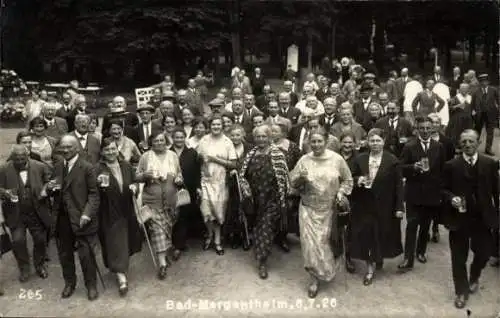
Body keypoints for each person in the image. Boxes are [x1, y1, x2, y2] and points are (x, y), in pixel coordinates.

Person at [290, 128, 352, 298]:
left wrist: (341, 193)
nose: (316, 145)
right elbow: (292, 183)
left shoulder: (337, 159)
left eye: (319, 141)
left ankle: (326, 270)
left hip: (329, 210)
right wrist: (300, 178)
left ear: (326, 142)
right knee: (310, 246)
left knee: (325, 244)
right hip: (308, 208)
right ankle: (314, 280)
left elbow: (348, 180)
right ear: (309, 142)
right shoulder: (304, 159)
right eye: (313, 141)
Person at [441, 129, 499, 309]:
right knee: (458, 257)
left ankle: (474, 275)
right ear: (460, 143)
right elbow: (442, 189)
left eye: (471, 141)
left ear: (478, 142)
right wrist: (451, 198)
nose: (467, 144)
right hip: (459, 217)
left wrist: (497, 214)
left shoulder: (489, 163)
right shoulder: (451, 165)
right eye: (464, 141)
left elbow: (497, 191)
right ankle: (461, 291)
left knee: (484, 253)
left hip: (482, 218)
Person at [46, 135, 100, 301]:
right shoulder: (57, 166)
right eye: (63, 147)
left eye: (69, 147)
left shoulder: (87, 168)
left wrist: (86, 213)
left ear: (77, 148)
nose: (66, 150)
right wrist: (50, 188)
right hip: (62, 218)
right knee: (64, 254)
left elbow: (94, 195)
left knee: (86, 254)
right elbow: (54, 188)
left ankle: (91, 286)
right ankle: (69, 283)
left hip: (81, 217)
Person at [349, 128, 404, 285]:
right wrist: (358, 180)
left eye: (378, 140)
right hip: (364, 205)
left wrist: (399, 207)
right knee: (367, 236)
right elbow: (349, 178)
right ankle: (370, 269)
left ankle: (378, 257)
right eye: (372, 140)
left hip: (385, 205)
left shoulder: (392, 160)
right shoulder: (360, 159)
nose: (375, 144)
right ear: (367, 142)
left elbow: (399, 186)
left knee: (382, 234)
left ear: (383, 142)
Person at [239, 125, 290, 279]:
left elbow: (284, 176)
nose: (261, 139)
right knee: (257, 226)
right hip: (254, 199)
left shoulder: (277, 154)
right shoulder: (250, 154)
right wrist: (245, 186)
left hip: (271, 199)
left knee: (265, 227)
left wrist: (283, 196)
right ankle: (260, 252)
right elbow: (242, 175)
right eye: (258, 137)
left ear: (269, 138)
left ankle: (262, 262)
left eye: (264, 137)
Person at [398, 116, 446, 272]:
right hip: (414, 193)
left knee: (425, 226)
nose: (425, 131)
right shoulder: (409, 146)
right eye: (422, 128)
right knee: (412, 225)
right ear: (417, 129)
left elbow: (442, 170)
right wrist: (413, 167)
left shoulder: (439, 147)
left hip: (432, 194)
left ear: (432, 129)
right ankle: (408, 258)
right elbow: (401, 167)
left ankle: (421, 251)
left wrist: (441, 192)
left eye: (428, 128)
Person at [96, 138, 143, 297]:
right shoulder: (98, 169)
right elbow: (93, 191)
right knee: (115, 241)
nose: (110, 152)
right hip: (108, 211)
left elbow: (136, 182)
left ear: (118, 150)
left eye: (113, 149)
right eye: (107, 150)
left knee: (125, 241)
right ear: (102, 152)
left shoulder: (126, 166)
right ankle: (121, 278)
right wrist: (99, 188)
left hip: (127, 209)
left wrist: (134, 187)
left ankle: (117, 265)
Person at [0, 145, 52, 282]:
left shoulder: (40, 166)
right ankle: (24, 267)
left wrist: (46, 189)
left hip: (36, 212)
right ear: (12, 157)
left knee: (41, 240)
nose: (19, 160)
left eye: (22, 157)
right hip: (15, 212)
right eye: (16, 158)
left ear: (27, 155)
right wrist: (4, 193)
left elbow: (49, 181)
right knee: (18, 241)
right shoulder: (3, 169)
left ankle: (40, 265)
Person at [136, 132, 183, 279]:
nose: (159, 143)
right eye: (156, 141)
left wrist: (179, 179)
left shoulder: (173, 155)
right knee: (157, 230)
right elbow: (137, 175)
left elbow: (179, 173)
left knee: (168, 227)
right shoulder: (145, 157)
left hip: (171, 200)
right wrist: (145, 176)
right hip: (152, 200)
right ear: (151, 143)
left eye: (162, 140)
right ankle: (162, 263)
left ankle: (168, 250)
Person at [197, 116, 237, 255]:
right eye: (213, 124)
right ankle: (209, 235)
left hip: (220, 182)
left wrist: (215, 159)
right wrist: (201, 159)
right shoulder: (204, 140)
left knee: (219, 213)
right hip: (205, 181)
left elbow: (233, 164)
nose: (216, 127)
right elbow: (198, 159)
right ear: (210, 126)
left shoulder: (227, 142)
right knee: (206, 211)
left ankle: (218, 241)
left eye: (218, 124)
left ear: (222, 126)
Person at [170, 128, 203, 251]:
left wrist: (198, 187)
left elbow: (197, 172)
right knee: (174, 215)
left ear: (185, 138)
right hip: (171, 188)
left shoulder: (192, 153)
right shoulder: (168, 152)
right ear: (172, 139)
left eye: (181, 137)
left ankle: (180, 244)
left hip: (189, 187)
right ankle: (174, 242)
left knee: (184, 215)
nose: (179, 140)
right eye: (176, 137)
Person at [335, 132, 359, 273]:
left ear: (354, 144)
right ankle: (336, 253)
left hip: (352, 196)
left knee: (349, 228)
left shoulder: (359, 158)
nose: (347, 145)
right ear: (340, 143)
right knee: (334, 226)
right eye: (345, 142)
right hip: (333, 194)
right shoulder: (334, 157)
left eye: (350, 143)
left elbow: (361, 176)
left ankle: (349, 257)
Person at [225, 125, 251, 250]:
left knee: (247, 209)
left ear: (243, 135)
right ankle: (235, 236)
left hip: (247, 183)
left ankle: (246, 237)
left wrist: (242, 173)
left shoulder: (249, 148)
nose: (235, 137)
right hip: (232, 183)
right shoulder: (226, 148)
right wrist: (230, 171)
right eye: (233, 135)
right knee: (234, 210)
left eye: (238, 135)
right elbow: (225, 164)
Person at [471, 74, 499, 156]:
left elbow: (498, 101)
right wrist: (473, 112)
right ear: (480, 82)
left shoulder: (493, 90)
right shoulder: (476, 92)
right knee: (477, 132)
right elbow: (472, 104)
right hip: (479, 115)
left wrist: (497, 111)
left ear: (488, 82)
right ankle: (473, 148)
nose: (484, 83)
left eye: (485, 81)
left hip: (491, 114)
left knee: (490, 132)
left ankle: (488, 149)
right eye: (482, 81)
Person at [446, 83, 473, 148]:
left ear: (468, 90)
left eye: (465, 89)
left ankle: (465, 146)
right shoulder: (455, 98)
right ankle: (456, 147)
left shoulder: (470, 97)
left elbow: (473, 107)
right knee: (457, 133)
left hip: (468, 119)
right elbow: (450, 108)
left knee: (467, 133)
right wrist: (457, 106)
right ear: (459, 90)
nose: (464, 90)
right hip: (457, 119)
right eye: (462, 89)